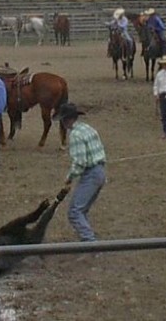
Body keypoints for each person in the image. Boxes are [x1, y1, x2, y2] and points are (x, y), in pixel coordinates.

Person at [56, 103, 106, 242]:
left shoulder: (75, 135)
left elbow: (80, 162)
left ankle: (90, 242)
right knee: (82, 209)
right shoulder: (88, 128)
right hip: (100, 171)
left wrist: (69, 178)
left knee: (74, 212)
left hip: (90, 174)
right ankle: (88, 238)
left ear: (66, 120)